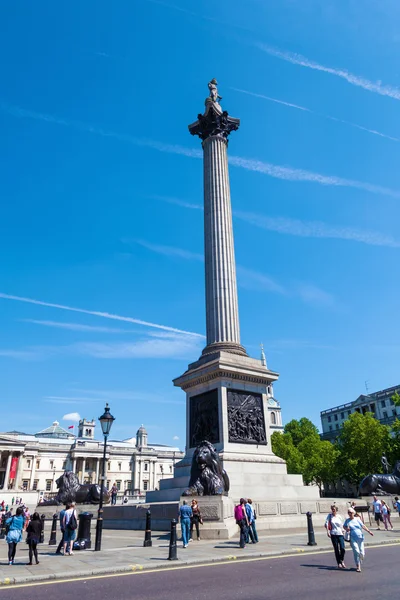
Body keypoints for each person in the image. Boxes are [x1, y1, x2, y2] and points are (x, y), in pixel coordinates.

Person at [344, 507, 373, 572]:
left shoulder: (357, 519)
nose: (350, 514)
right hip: (352, 538)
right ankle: (358, 566)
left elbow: (363, 526)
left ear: (353, 513)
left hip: (360, 537)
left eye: (351, 512)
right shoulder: (347, 520)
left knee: (362, 553)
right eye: (348, 512)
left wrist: (369, 531)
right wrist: (346, 529)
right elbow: (344, 526)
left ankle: (360, 560)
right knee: (356, 552)